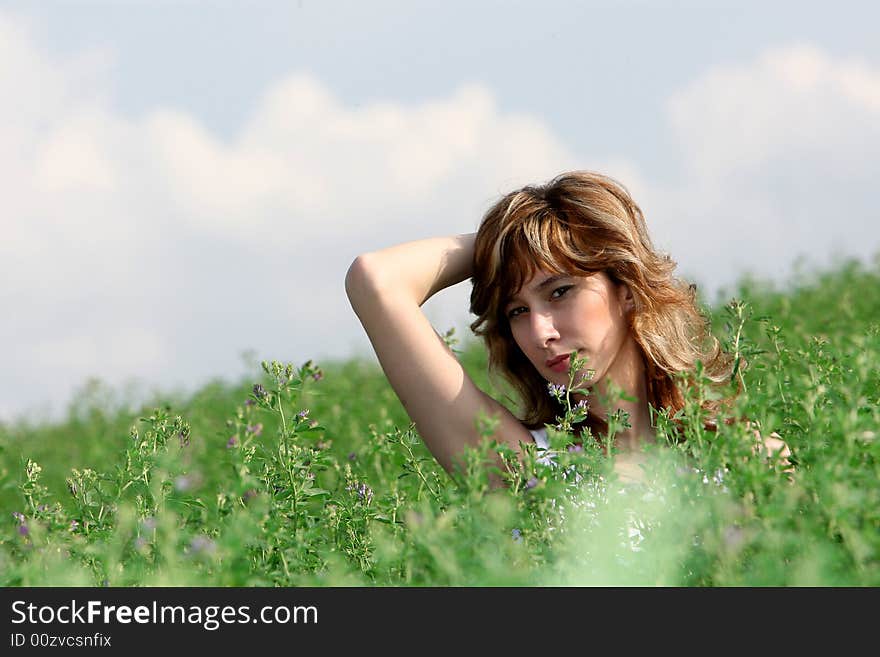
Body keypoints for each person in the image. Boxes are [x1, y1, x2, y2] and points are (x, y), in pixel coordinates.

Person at [344, 170, 789, 487]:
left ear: (627, 288)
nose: (540, 332)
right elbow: (376, 280)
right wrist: (503, 241)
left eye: (559, 293)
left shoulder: (747, 458)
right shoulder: (529, 468)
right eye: (517, 311)